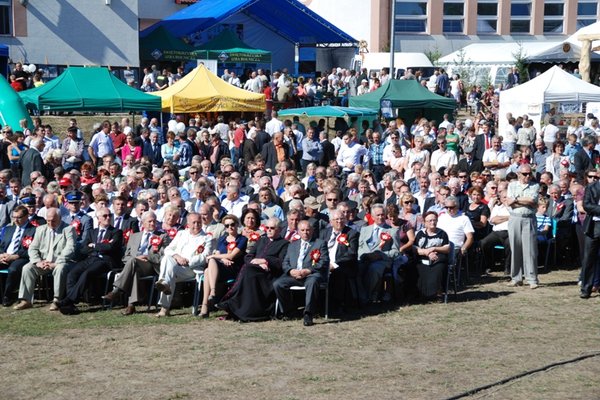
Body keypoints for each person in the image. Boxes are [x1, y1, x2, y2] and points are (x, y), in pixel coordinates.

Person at [217, 217, 289, 321]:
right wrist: (256, 262)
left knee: (248, 270)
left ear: (279, 229)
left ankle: (233, 303)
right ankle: (235, 307)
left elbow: (281, 262)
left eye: (272, 228)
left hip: (268, 274)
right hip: (253, 269)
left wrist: (265, 261)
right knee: (248, 269)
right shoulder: (262, 239)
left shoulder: (284, 244)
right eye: (267, 227)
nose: (268, 230)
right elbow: (248, 256)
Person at [58, 207, 123, 314]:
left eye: (109, 215)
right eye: (105, 216)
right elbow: (84, 249)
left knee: (87, 273)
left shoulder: (116, 232)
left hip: (106, 261)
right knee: (72, 273)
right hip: (91, 258)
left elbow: (111, 247)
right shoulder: (92, 232)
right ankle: (70, 305)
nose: (108, 218)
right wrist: (102, 245)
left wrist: (94, 245)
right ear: (98, 219)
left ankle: (69, 300)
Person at [13, 208, 76, 311]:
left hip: (60, 262)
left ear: (60, 218)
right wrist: (37, 261)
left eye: (53, 220)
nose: (50, 223)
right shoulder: (40, 229)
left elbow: (70, 248)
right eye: (48, 220)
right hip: (43, 262)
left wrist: (56, 263)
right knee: (27, 268)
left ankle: (57, 300)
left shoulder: (68, 229)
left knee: (60, 269)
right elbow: (33, 248)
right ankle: (26, 300)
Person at [102, 210, 162, 315]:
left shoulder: (162, 236)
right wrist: (136, 258)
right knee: (134, 268)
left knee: (133, 261)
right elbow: (126, 256)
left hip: (151, 265)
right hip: (134, 266)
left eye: (154, 221)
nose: (153, 224)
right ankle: (131, 305)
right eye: (150, 221)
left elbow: (161, 257)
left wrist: (147, 257)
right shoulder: (134, 237)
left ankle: (117, 290)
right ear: (143, 223)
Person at [153, 213, 213, 317]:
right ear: (188, 224)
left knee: (168, 271)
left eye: (199, 222)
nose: (196, 225)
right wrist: (177, 257)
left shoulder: (207, 238)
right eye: (193, 222)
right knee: (167, 260)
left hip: (190, 268)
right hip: (175, 265)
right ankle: (165, 285)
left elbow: (205, 256)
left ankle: (164, 307)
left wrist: (187, 261)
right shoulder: (181, 234)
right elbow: (168, 249)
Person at [273, 220, 329, 326]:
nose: (305, 232)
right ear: (298, 232)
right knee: (278, 284)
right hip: (294, 276)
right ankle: (289, 311)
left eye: (308, 230)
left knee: (312, 282)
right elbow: (285, 262)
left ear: (312, 230)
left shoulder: (320, 243)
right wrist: (290, 271)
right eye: (302, 230)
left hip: (311, 275)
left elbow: (324, 262)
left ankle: (308, 314)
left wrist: (308, 270)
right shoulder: (292, 245)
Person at [199, 214, 247, 317]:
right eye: (227, 225)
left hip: (233, 269)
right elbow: (217, 253)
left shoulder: (242, 239)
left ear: (237, 225)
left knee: (210, 263)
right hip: (220, 268)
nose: (230, 227)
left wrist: (220, 257)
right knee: (208, 269)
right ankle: (210, 297)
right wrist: (223, 258)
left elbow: (232, 255)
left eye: (232, 224)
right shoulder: (222, 239)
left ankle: (207, 303)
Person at [357, 204, 400, 305]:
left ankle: (367, 297)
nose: (380, 217)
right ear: (372, 217)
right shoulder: (364, 230)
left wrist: (381, 255)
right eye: (378, 215)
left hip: (382, 260)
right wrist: (364, 256)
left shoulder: (392, 231)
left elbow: (396, 251)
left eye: (382, 214)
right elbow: (359, 246)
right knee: (355, 268)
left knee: (374, 268)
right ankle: (359, 296)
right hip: (365, 258)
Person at [319, 209, 359, 313]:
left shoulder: (352, 233)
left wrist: (334, 264)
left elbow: (352, 254)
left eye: (342, 219)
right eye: (336, 219)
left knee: (338, 274)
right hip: (324, 264)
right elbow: (317, 250)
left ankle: (337, 305)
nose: (339, 221)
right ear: (330, 221)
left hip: (342, 265)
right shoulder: (323, 233)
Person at [506, 165, 540, 288]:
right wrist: (521, 200)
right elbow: (509, 202)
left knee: (530, 250)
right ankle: (516, 277)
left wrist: (516, 199)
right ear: (518, 174)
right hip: (515, 218)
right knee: (515, 248)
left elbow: (532, 200)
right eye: (525, 174)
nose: (527, 176)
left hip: (529, 219)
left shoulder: (535, 186)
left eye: (529, 174)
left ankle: (532, 279)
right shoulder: (512, 185)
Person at [0, 205, 37, 306]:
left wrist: (15, 256)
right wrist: (1, 255)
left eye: (18, 217)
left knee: (13, 269)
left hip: (21, 257)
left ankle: (7, 296)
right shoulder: (9, 229)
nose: (15, 220)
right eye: (14, 217)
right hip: (5, 256)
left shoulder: (33, 230)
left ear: (26, 217)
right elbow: (1, 245)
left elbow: (33, 249)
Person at [414, 211, 451, 299]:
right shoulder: (420, 233)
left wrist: (434, 249)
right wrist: (427, 252)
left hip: (438, 257)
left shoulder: (442, 233)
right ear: (424, 222)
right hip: (423, 257)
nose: (432, 222)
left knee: (439, 268)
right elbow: (415, 249)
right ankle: (422, 294)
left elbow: (447, 249)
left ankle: (437, 292)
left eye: (434, 220)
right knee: (417, 267)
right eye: (430, 221)